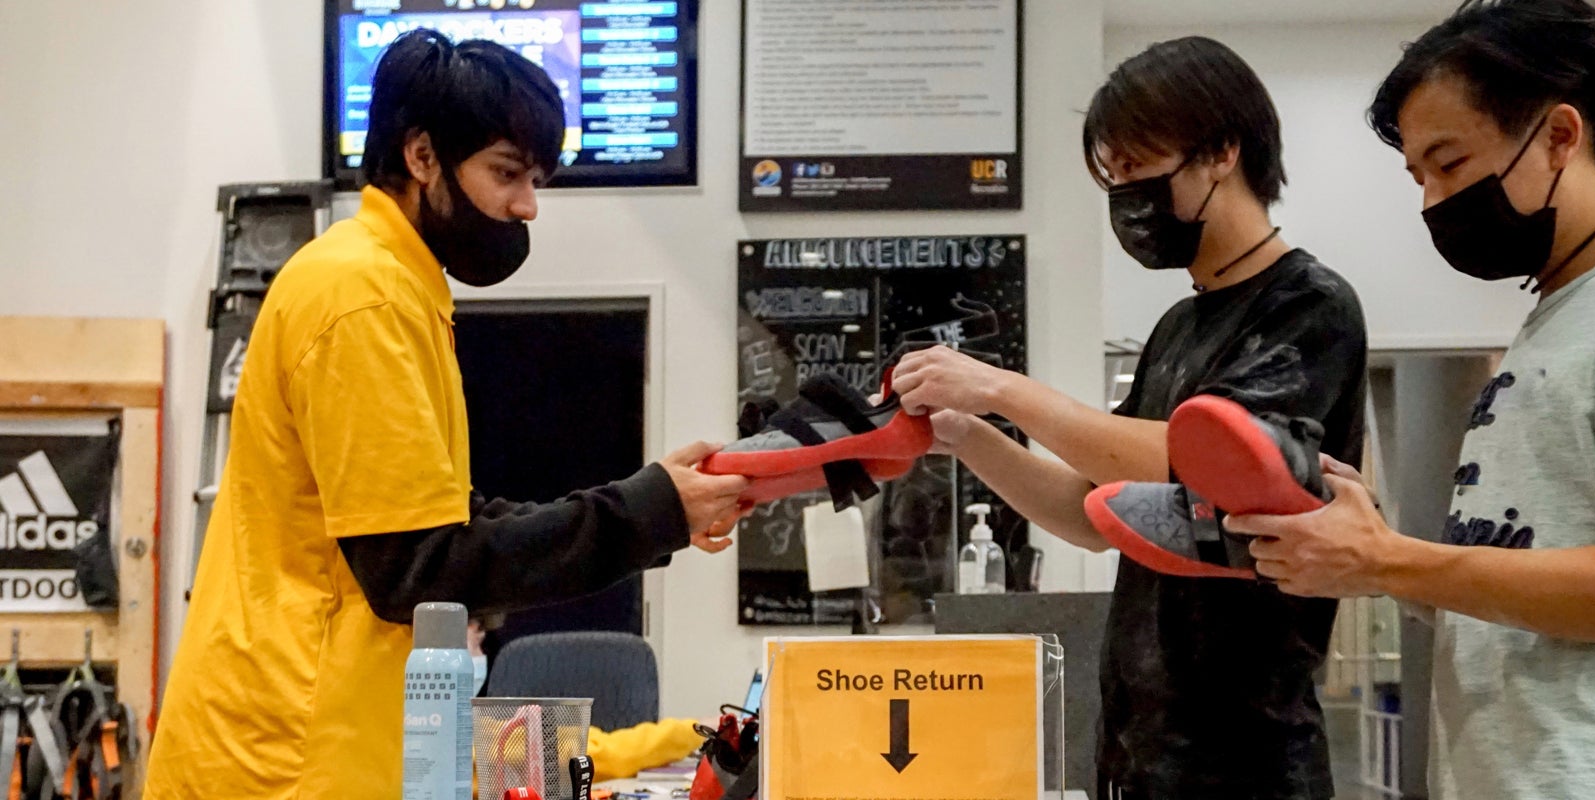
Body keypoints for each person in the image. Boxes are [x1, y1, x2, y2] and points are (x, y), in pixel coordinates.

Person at [146, 30, 748, 798]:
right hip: (286, 760)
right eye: (506, 173)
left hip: (324, 746)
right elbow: (419, 567)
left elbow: (444, 519)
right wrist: (646, 512)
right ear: (423, 155)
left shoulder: (395, 287)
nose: (527, 205)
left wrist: (657, 504)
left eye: (536, 180)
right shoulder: (359, 295)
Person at [1225, 2, 1595, 798]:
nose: (1431, 203)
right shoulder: (1554, 316)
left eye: (1449, 163)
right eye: (1418, 177)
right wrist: (1379, 556)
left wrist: (1389, 558)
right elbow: (1521, 580)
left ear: (1560, 135)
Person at [891, 37, 1368, 799]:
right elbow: (1093, 512)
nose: (1126, 198)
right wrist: (966, 436)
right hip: (1137, 748)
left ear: (1222, 152)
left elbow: (1219, 461)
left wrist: (1004, 390)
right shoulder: (1178, 328)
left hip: (1246, 757)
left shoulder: (1309, 306)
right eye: (1113, 179)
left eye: (1139, 168)